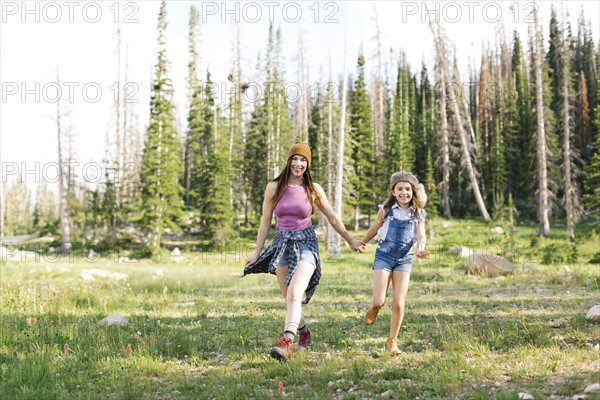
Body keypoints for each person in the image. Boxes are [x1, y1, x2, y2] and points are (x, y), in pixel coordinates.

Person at [243, 142, 364, 361]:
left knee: (294, 293)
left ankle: (287, 342)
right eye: (295, 159)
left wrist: (350, 239)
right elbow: (264, 222)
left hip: (306, 244)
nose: (299, 164)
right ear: (288, 161)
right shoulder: (274, 187)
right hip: (282, 244)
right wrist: (256, 253)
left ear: (308, 165)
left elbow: (332, 217)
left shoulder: (313, 189)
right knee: (288, 296)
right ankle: (304, 332)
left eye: (303, 160)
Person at [360, 171, 429, 355]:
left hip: (404, 259)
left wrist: (420, 249)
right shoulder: (385, 210)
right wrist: (363, 242)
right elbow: (375, 228)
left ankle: (392, 341)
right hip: (384, 256)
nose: (404, 192)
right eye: (400, 189)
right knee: (379, 300)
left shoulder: (418, 213)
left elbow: (421, 235)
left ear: (413, 192)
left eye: (408, 189)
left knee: (399, 303)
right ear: (393, 191)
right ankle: (374, 308)